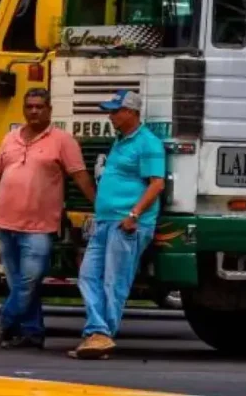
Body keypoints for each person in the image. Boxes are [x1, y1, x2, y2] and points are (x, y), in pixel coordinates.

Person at [0, 88, 95, 349]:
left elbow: (80, 176)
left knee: (29, 280)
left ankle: (7, 319)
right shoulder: (10, 138)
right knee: (17, 282)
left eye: (39, 107)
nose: (34, 111)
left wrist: (99, 206)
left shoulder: (62, 141)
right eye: (29, 106)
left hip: (39, 226)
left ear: (49, 110)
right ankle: (32, 332)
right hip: (5, 222)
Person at [69, 90, 166, 360]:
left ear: (131, 113)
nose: (110, 116)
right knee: (88, 276)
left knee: (115, 281)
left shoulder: (147, 143)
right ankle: (98, 333)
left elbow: (157, 184)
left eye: (115, 111)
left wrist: (133, 215)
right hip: (105, 222)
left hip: (127, 225)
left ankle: (101, 335)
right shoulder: (120, 141)